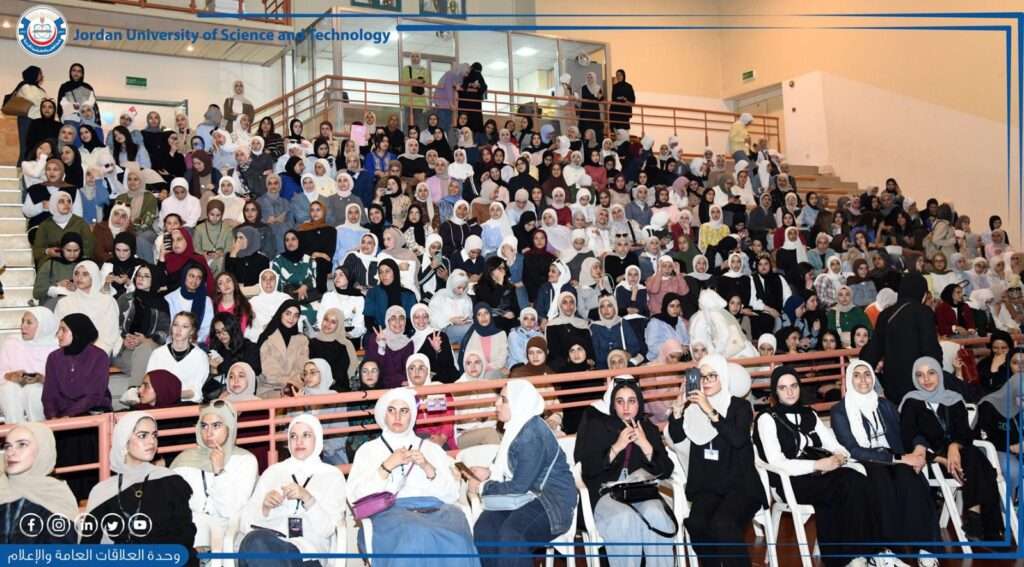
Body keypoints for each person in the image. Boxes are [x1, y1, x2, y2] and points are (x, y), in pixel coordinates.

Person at [754, 365, 882, 566]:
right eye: (783, 387)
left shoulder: (809, 414)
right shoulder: (766, 419)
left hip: (820, 475)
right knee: (847, 483)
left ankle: (864, 554)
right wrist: (817, 464)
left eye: (794, 386)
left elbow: (834, 445)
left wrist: (839, 456)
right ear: (775, 392)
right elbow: (777, 462)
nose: (790, 391)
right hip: (788, 482)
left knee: (859, 479)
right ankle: (854, 556)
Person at [347, 387, 479, 566]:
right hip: (390, 514)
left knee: (458, 539)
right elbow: (355, 496)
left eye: (404, 411)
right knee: (414, 537)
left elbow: (451, 495)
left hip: (438, 511)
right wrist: (387, 466)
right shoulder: (368, 450)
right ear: (384, 414)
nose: (397, 417)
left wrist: (427, 467)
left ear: (412, 415)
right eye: (391, 410)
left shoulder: (431, 449)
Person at [830, 361, 941, 563]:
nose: (863, 380)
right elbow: (853, 449)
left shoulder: (884, 405)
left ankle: (925, 548)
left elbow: (909, 430)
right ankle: (888, 550)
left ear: (873, 378)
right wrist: (898, 459)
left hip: (894, 457)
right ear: (849, 380)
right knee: (881, 480)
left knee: (910, 479)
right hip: (864, 460)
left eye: (867, 374)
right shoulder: (839, 411)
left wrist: (919, 447)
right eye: (857, 375)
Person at [666, 353, 765, 566]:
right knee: (696, 523)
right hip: (708, 487)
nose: (707, 381)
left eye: (713, 375)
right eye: (702, 376)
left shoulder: (739, 406)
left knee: (723, 522)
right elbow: (677, 437)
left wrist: (711, 411)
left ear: (723, 377)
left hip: (740, 486)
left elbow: (738, 439)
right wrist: (677, 411)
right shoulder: (692, 409)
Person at [470, 380, 577, 567]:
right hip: (525, 497)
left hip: (551, 501)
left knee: (513, 535)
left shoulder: (532, 435)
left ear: (519, 403)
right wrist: (488, 471)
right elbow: (508, 466)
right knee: (484, 530)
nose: (497, 403)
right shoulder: (516, 425)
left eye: (504, 399)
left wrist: (483, 487)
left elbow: (519, 486)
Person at [900, 357, 1004, 541]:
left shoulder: (953, 399)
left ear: (940, 374)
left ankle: (975, 516)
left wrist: (954, 447)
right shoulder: (911, 402)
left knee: (972, 456)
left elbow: (966, 433)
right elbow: (908, 440)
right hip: (930, 462)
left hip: (961, 458)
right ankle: (986, 524)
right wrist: (942, 459)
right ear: (915, 378)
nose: (926, 379)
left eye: (931, 373)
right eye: (920, 375)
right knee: (982, 467)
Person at [575, 379, 675, 566]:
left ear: (639, 404)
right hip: (607, 495)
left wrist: (645, 444)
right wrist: (617, 446)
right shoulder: (599, 427)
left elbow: (666, 470)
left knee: (656, 514)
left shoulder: (648, 429)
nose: (626, 407)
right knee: (624, 518)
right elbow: (588, 468)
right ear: (613, 405)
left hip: (642, 493)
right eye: (620, 401)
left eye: (632, 401)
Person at [83, 412, 197, 565]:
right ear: (124, 441)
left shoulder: (170, 481)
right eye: (142, 436)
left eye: (154, 435)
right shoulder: (102, 491)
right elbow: (89, 545)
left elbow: (184, 535)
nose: (151, 442)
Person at [237, 414, 347, 565]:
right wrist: (265, 508)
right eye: (293, 436)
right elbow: (244, 523)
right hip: (267, 543)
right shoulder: (273, 472)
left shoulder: (332, 476)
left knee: (255, 546)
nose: (299, 442)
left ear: (317, 438)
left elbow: (327, 529)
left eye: (306, 435)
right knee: (254, 542)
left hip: (307, 554)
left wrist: (308, 499)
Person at [170, 400, 259, 552]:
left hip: (228, 528)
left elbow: (230, 510)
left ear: (229, 427)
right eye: (204, 426)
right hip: (190, 525)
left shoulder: (245, 460)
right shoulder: (185, 459)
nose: (209, 433)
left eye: (216, 426)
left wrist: (219, 471)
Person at [861, 272, 943, 402]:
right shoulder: (924, 312)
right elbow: (930, 349)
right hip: (918, 383)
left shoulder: (885, 314)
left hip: (892, 384)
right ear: (923, 294)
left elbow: (873, 350)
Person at [0, 423, 80, 544]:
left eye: (22, 444)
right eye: (7, 446)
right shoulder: (3, 488)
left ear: (43, 449)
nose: (10, 453)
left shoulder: (56, 496)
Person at [0, 308, 59, 423]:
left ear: (43, 326)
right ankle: (15, 429)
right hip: (13, 389)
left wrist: (41, 379)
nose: (23, 326)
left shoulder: (56, 347)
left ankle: (38, 430)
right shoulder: (12, 342)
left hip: (41, 389)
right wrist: (10, 376)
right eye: (22, 321)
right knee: (9, 389)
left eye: (29, 322)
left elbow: (61, 381)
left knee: (34, 391)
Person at [53, 260, 121, 356]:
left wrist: (91, 355)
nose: (79, 278)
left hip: (100, 352)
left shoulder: (107, 301)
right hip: (70, 351)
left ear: (94, 276)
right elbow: (58, 331)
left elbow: (110, 335)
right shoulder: (64, 303)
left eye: (85, 274)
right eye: (76, 273)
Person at [975, 369, 1023, 503]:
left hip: (1016, 451)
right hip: (993, 450)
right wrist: (1011, 447)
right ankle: (1007, 508)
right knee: (1013, 470)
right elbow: (983, 437)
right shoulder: (989, 405)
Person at [144, 312, 209, 404]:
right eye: (175, 325)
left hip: (187, 404)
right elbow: (149, 383)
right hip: (160, 403)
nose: (178, 330)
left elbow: (195, 392)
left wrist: (171, 394)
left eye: (185, 326)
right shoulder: (158, 354)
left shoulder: (200, 357)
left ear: (192, 331)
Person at [257, 300, 309, 398]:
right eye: (288, 313)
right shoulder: (266, 337)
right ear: (281, 314)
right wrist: (289, 383)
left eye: (296, 315)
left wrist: (293, 385)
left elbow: (302, 368)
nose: (291, 318)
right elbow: (269, 373)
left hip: (296, 388)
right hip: (269, 389)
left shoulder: (303, 340)